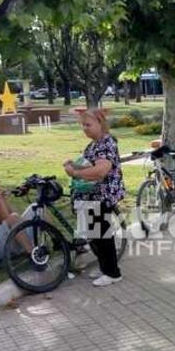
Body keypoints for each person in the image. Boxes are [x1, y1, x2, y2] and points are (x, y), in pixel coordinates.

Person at [63, 109, 125, 287]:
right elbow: (87, 166)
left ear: (100, 123)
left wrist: (74, 172)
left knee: (102, 235)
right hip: (91, 195)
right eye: (83, 125)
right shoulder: (93, 144)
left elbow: (100, 170)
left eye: (88, 125)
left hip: (102, 194)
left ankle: (112, 272)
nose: (85, 128)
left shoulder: (106, 143)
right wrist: (72, 165)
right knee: (94, 235)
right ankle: (105, 267)